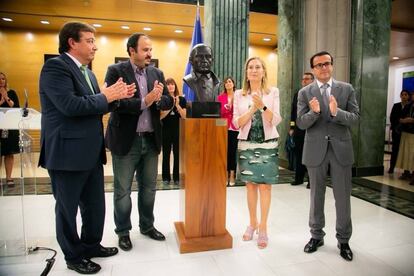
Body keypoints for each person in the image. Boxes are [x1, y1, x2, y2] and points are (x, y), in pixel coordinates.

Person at [39, 22, 135, 274]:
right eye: (90, 40)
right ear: (72, 42)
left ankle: (91, 245)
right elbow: (70, 106)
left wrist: (116, 98)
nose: (95, 46)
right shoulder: (55, 68)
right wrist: (106, 96)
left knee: (94, 205)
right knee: (67, 209)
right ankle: (73, 256)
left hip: (91, 152)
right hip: (66, 154)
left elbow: (95, 107)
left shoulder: (89, 73)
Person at [104, 33, 173, 252]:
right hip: (127, 141)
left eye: (151, 49)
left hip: (151, 141)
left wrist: (159, 99)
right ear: (131, 51)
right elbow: (115, 103)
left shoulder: (156, 72)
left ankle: (147, 226)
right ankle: (123, 232)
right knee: (123, 190)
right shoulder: (116, 71)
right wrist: (146, 100)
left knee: (149, 189)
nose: (149, 54)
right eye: (145, 50)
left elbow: (168, 100)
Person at [297, 51, 359, 261]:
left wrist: (336, 112)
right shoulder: (305, 92)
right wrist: (314, 112)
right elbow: (301, 123)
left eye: (327, 64)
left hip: (341, 150)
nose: (324, 67)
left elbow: (355, 118)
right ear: (313, 69)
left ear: (332, 65)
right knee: (316, 196)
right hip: (315, 150)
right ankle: (316, 236)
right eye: (319, 65)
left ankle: (344, 240)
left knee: (343, 198)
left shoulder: (347, 89)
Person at [233, 57, 282, 249]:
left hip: (268, 144)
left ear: (263, 71)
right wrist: (252, 108)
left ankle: (263, 227)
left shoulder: (273, 92)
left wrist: (262, 105)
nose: (254, 70)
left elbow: (276, 120)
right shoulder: (239, 94)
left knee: (265, 187)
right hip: (247, 144)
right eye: (250, 67)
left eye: (258, 67)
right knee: (251, 185)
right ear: (246, 72)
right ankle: (252, 223)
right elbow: (237, 123)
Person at [289, 72, 314, 188]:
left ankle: (311, 180)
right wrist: (292, 127)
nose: (304, 81)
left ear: (312, 80)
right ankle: (298, 178)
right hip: (299, 129)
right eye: (303, 79)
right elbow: (293, 112)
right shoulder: (297, 94)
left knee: (310, 155)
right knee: (298, 154)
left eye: (307, 79)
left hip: (311, 129)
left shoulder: (315, 94)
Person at [160, 78, 186, 186]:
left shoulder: (181, 99)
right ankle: (166, 177)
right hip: (165, 130)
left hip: (177, 130)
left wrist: (177, 105)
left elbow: (185, 116)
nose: (170, 86)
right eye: (168, 84)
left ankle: (176, 177)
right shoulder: (163, 99)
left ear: (175, 86)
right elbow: (160, 116)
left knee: (177, 154)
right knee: (166, 154)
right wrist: (170, 106)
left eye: (172, 84)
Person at [218, 76, 239, 186]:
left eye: (230, 82)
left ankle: (232, 175)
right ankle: (225, 174)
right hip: (223, 126)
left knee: (233, 151)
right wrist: (227, 107)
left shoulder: (239, 96)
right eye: (226, 82)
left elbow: (241, 110)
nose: (228, 84)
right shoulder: (220, 97)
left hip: (235, 127)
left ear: (233, 84)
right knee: (225, 152)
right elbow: (219, 113)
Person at [0, 72, 20, 186]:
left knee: (9, 152)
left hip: (10, 127)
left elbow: (16, 107)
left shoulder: (12, 92)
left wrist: (6, 97)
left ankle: (8, 177)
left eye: (3, 79)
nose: (1, 81)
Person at [395, 92, 414, 185]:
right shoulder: (409, 105)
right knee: (405, 154)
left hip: (413, 133)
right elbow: (399, 117)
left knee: (412, 154)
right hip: (406, 132)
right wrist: (404, 120)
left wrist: (410, 120)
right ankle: (406, 172)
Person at [389, 90, 410, 175]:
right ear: (400, 96)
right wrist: (397, 124)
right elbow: (392, 117)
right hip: (396, 132)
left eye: (406, 95)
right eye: (402, 95)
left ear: (408, 96)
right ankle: (391, 167)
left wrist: (404, 122)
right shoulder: (396, 105)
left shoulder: (410, 106)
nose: (404, 96)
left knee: (406, 151)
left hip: (406, 132)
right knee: (395, 149)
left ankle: (406, 171)